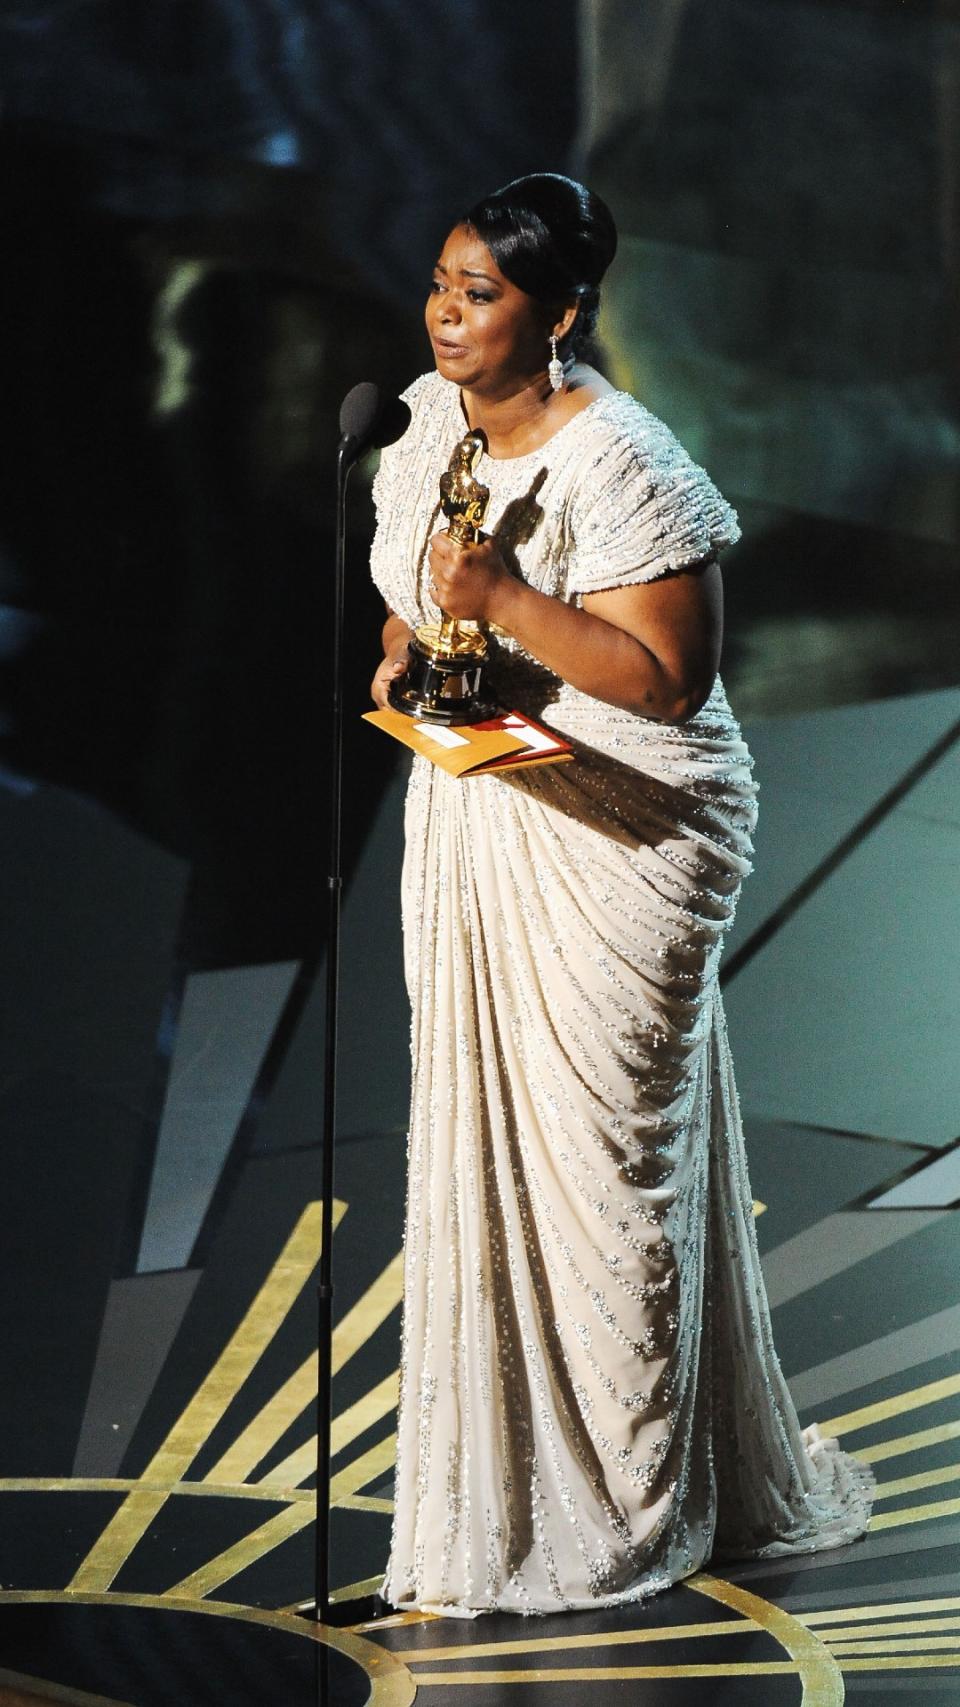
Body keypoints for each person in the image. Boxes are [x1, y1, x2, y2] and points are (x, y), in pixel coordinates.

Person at [368, 173, 873, 1617]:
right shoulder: (425, 417)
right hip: (486, 802)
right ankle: (518, 1482)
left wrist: (507, 605)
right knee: (495, 1142)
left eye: (482, 296)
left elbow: (668, 678)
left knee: (602, 1165)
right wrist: (410, 645)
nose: (447, 315)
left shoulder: (629, 465)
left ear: (562, 313)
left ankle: (633, 1500)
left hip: (627, 831)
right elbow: (419, 565)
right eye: (444, 284)